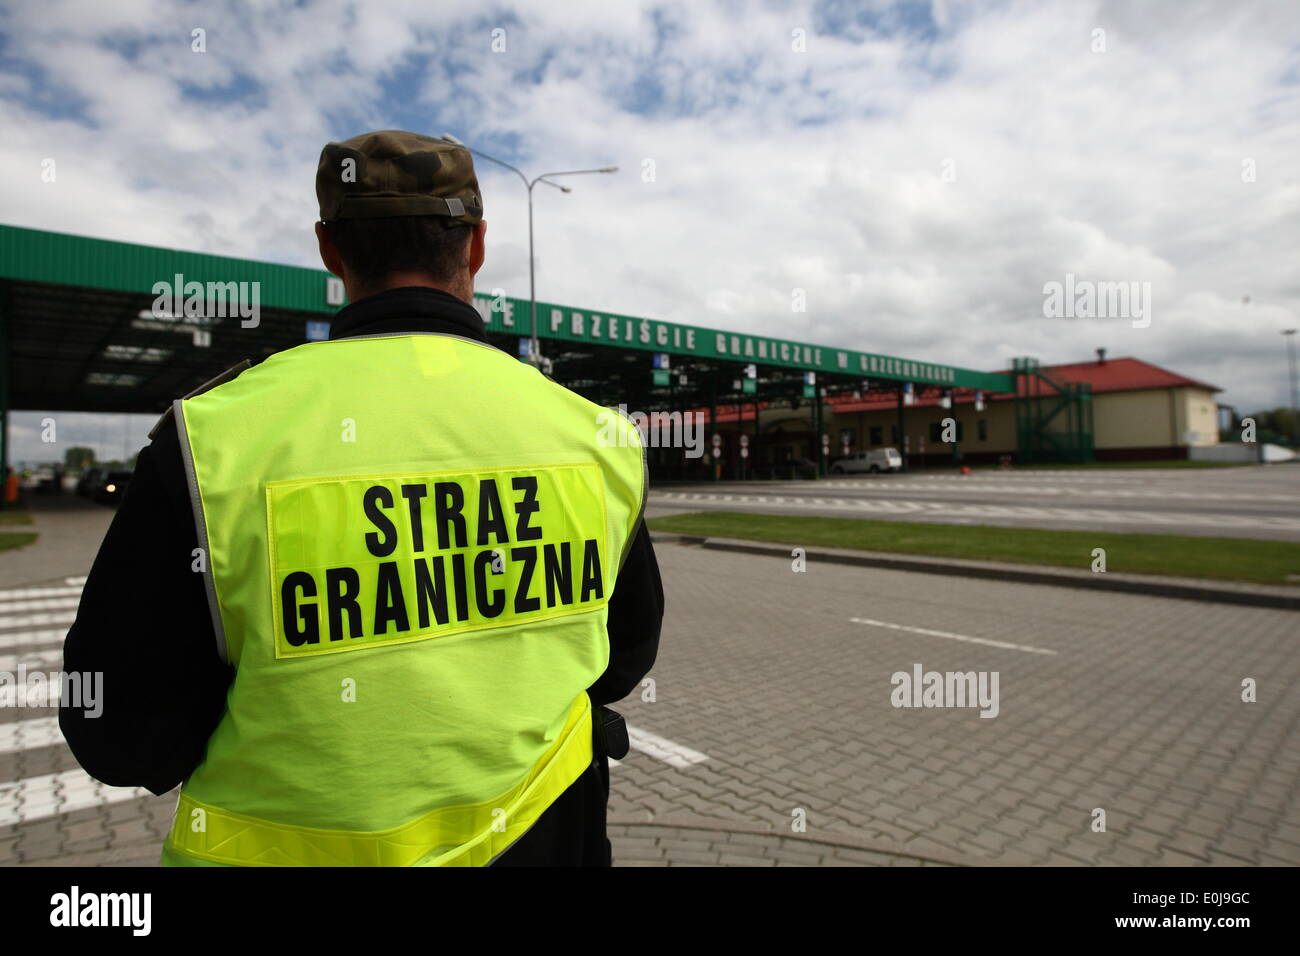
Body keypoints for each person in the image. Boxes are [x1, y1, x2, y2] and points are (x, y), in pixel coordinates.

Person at [60, 129, 663, 867]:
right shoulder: (594, 435)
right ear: (475, 247)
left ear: (330, 250)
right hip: (547, 840)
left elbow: (119, 735)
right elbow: (623, 657)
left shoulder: (211, 440)